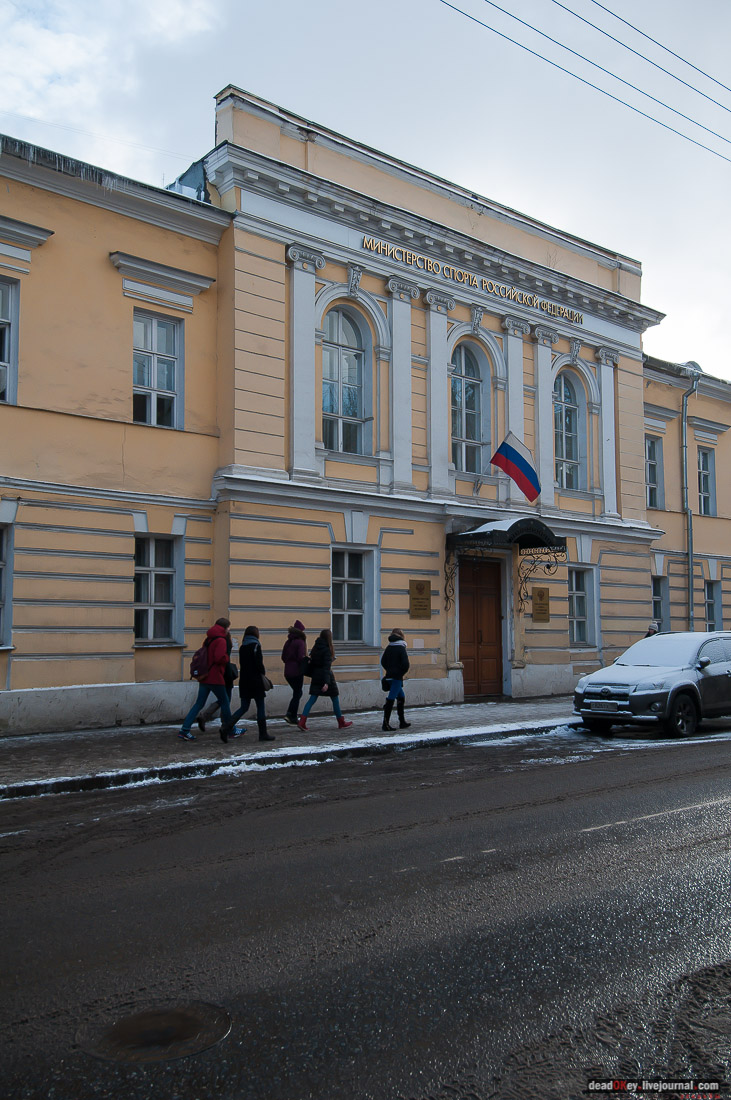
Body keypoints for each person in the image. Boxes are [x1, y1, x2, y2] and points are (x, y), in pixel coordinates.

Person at [179, 618, 235, 741]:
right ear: (225, 628)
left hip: (204, 676)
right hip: (215, 676)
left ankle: (184, 729)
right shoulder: (221, 640)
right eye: (228, 627)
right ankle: (229, 729)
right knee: (225, 702)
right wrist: (226, 658)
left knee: (199, 703)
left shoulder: (209, 638)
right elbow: (219, 658)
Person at [224, 625, 275, 743]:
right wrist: (262, 674)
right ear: (256, 634)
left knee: (244, 707)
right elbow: (259, 664)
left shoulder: (243, 647)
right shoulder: (256, 646)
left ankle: (226, 727)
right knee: (260, 706)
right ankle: (263, 734)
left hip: (245, 680)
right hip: (256, 681)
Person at [297, 629, 353, 730]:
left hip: (316, 676)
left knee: (312, 699)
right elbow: (326, 667)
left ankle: (302, 721)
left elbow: (314, 662)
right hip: (326, 677)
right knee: (335, 699)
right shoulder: (327, 650)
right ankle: (341, 722)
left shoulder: (316, 647)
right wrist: (326, 682)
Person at [197, 629, 240, 733]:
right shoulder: (224, 643)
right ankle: (227, 726)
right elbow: (223, 659)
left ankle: (207, 717)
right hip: (225, 675)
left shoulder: (211, 641)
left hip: (214, 674)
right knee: (225, 700)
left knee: (223, 700)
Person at [380, 628, 411, 731]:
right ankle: (385, 724)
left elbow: (383, 661)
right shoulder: (401, 647)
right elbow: (406, 664)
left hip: (389, 676)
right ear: (401, 636)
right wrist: (400, 673)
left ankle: (402, 722)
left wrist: (389, 670)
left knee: (401, 696)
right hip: (397, 678)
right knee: (391, 699)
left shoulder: (389, 647)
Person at [281, 619, 307, 725]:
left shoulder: (288, 642)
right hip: (297, 671)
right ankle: (291, 714)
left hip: (287, 671)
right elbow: (301, 657)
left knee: (296, 692)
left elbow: (283, 657)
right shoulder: (300, 642)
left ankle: (292, 714)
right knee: (298, 693)